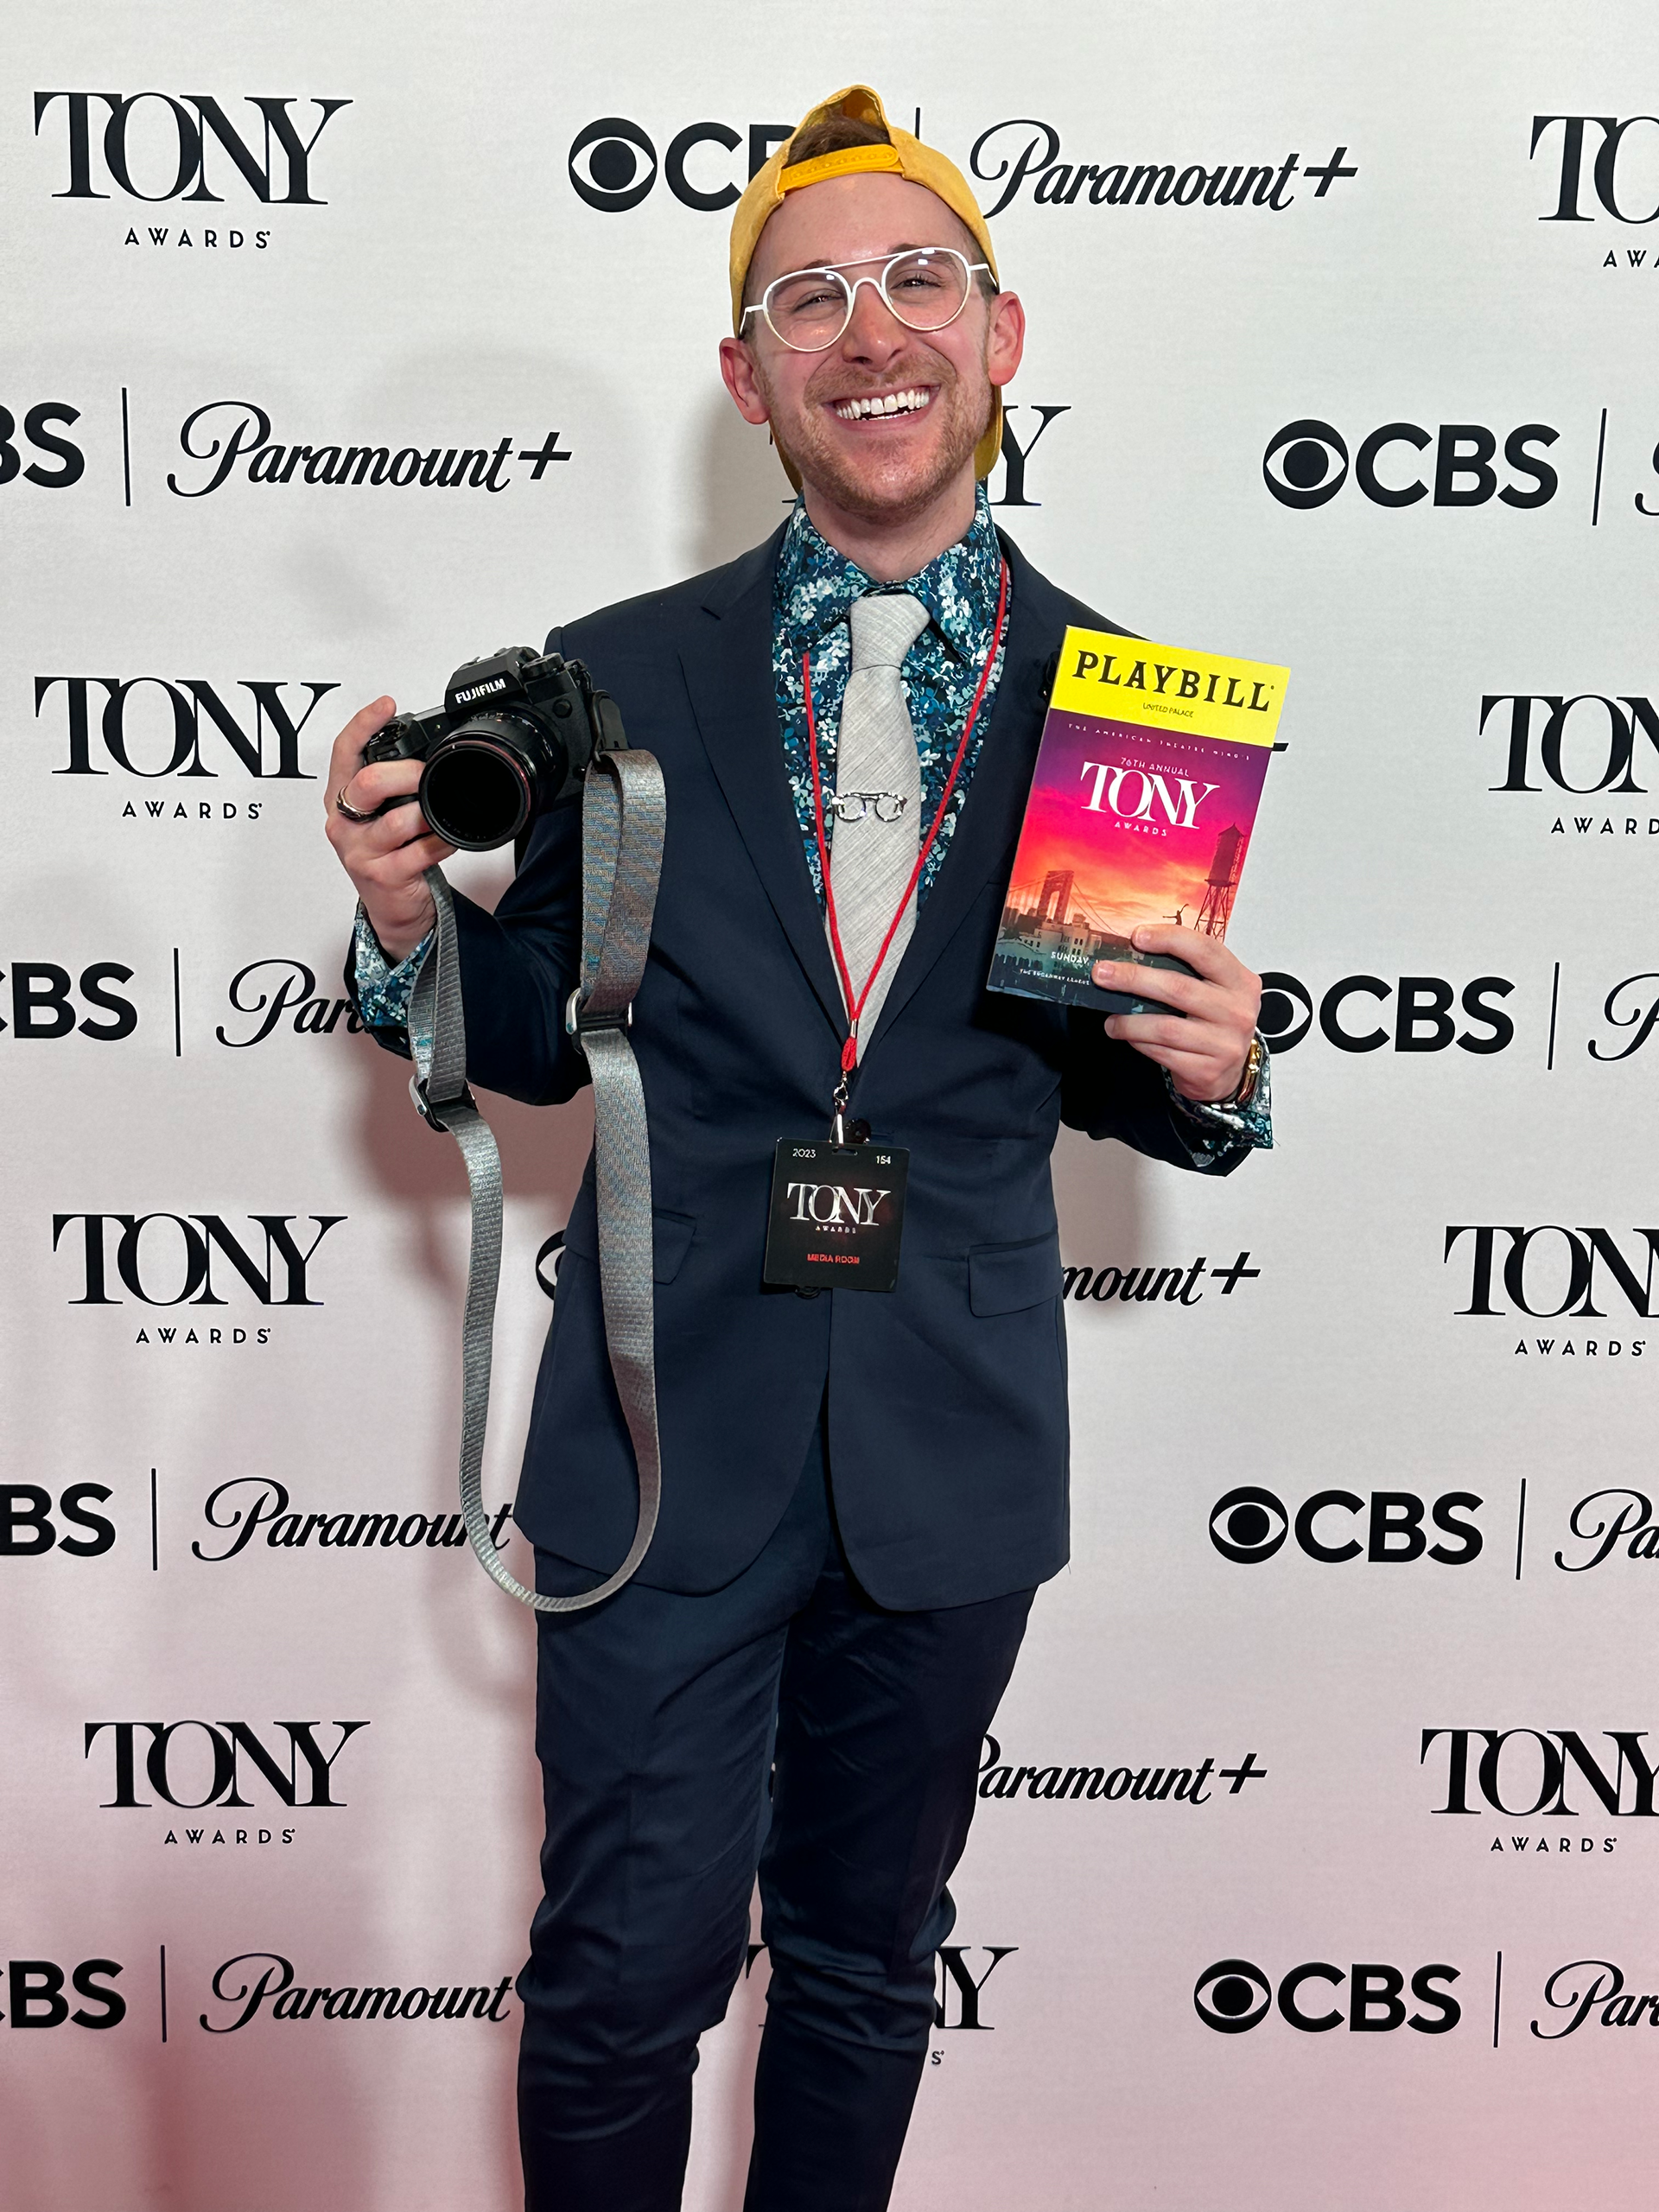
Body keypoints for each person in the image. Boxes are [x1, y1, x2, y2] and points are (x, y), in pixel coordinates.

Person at [323, 84, 1270, 2212]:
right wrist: (408, 928)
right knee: (617, 1978)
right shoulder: (608, 676)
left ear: (1000, 336)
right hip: (666, 1425)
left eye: (919, 280)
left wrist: (1220, 1070)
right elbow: (532, 1046)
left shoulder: (1135, 706)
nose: (872, 332)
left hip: (950, 1434)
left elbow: (1122, 1067)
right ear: (748, 377)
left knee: (864, 1966)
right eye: (810, 300)